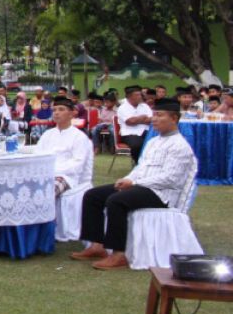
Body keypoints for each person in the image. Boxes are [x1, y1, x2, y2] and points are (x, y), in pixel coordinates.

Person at [72, 97, 197, 270]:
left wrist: (134, 182)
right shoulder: (153, 142)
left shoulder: (180, 146)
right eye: (153, 115)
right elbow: (141, 168)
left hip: (161, 193)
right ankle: (97, 246)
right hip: (141, 186)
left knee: (116, 200)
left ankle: (119, 254)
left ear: (174, 118)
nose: (154, 119)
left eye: (159, 115)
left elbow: (170, 178)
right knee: (93, 195)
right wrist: (128, 179)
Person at [36, 95, 94, 196]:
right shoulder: (47, 134)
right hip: (45, 174)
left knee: (47, 192)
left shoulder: (79, 137)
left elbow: (77, 164)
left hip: (67, 177)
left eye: (61, 109)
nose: (56, 113)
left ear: (71, 114)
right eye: (54, 110)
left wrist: (54, 170)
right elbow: (38, 155)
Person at [116, 84, 152, 163]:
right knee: (137, 145)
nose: (140, 96)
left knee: (155, 142)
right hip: (129, 134)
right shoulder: (122, 108)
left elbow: (151, 119)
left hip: (145, 131)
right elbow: (130, 122)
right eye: (137, 95)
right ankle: (138, 163)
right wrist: (143, 117)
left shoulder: (145, 106)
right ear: (129, 96)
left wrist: (137, 120)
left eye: (140, 94)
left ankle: (150, 163)